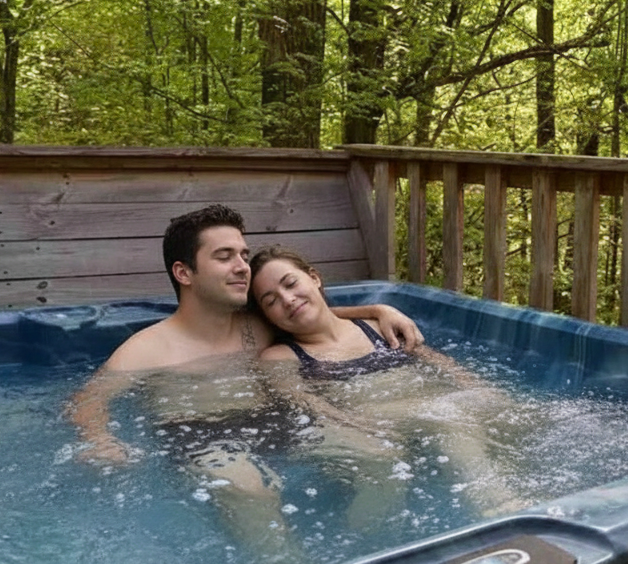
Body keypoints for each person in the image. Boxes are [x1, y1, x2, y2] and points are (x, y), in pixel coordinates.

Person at [66, 205, 423, 558]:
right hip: (202, 434)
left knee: (384, 458)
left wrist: (378, 310)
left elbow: (313, 314)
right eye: (225, 257)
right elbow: (89, 400)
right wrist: (101, 439)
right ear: (184, 273)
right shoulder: (146, 349)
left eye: (243, 255)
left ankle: (359, 549)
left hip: (278, 420)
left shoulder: (256, 325)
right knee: (254, 490)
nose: (242, 267)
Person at [247, 246, 527, 531]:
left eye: (291, 284)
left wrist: (479, 388)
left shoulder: (378, 326)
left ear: (314, 278)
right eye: (271, 301)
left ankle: (502, 503)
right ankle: (502, 509)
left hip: (426, 411)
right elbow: (302, 403)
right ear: (267, 317)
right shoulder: (282, 356)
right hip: (367, 421)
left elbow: (437, 361)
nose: (288, 299)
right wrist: (357, 425)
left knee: (503, 415)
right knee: (447, 416)